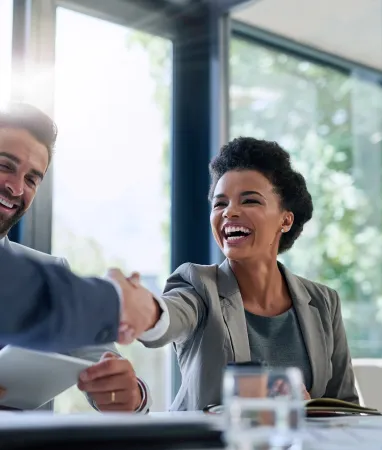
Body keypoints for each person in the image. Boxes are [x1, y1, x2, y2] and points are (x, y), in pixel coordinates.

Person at [138, 137, 359, 411]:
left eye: (250, 200)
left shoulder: (324, 302)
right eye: (220, 204)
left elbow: (345, 407)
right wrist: (139, 308)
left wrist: (306, 410)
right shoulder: (197, 286)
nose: (229, 212)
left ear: (285, 220)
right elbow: (167, 318)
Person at [0, 103, 154, 412]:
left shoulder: (50, 271)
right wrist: (117, 300)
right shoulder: (46, 287)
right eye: (5, 165)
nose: (16, 187)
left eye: (32, 179)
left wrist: (129, 394)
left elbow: (102, 363)